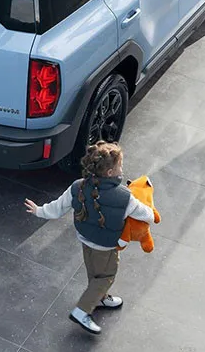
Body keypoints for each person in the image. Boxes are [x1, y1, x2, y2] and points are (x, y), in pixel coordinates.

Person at [24, 141, 157, 335]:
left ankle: (100, 298)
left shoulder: (77, 186)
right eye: (120, 165)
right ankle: (82, 311)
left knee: (94, 272)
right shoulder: (124, 197)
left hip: (85, 238)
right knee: (106, 276)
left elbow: (57, 208)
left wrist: (39, 211)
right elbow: (147, 215)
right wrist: (152, 210)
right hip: (106, 246)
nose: (122, 169)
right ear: (110, 172)